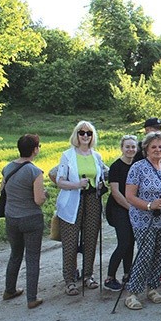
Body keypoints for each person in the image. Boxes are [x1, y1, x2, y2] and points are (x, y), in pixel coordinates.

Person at [123, 131, 161, 310]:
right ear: (146, 149)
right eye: (153, 147)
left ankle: (153, 288)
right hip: (143, 220)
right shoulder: (138, 168)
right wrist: (149, 205)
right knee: (145, 254)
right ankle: (132, 293)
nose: (157, 150)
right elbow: (130, 196)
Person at [56, 121, 107, 296]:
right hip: (72, 201)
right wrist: (76, 184)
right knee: (70, 242)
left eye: (89, 133)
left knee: (91, 238)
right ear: (76, 135)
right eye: (81, 133)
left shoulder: (96, 156)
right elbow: (59, 180)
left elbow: (105, 172)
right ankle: (69, 280)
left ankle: (88, 275)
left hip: (93, 199)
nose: (85, 136)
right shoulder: (67, 155)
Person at [1, 134, 47, 309]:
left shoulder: (7, 167)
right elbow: (38, 200)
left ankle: (9, 290)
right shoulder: (35, 172)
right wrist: (45, 195)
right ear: (35, 149)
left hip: (11, 217)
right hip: (31, 219)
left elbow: (2, 190)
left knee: (15, 253)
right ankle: (32, 298)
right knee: (32, 257)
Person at [103, 135, 137, 291]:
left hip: (132, 207)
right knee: (123, 242)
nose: (130, 150)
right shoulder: (116, 166)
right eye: (127, 147)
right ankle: (110, 278)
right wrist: (131, 208)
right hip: (118, 208)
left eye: (133, 147)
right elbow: (115, 192)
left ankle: (127, 274)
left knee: (130, 242)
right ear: (122, 148)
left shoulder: (136, 165)